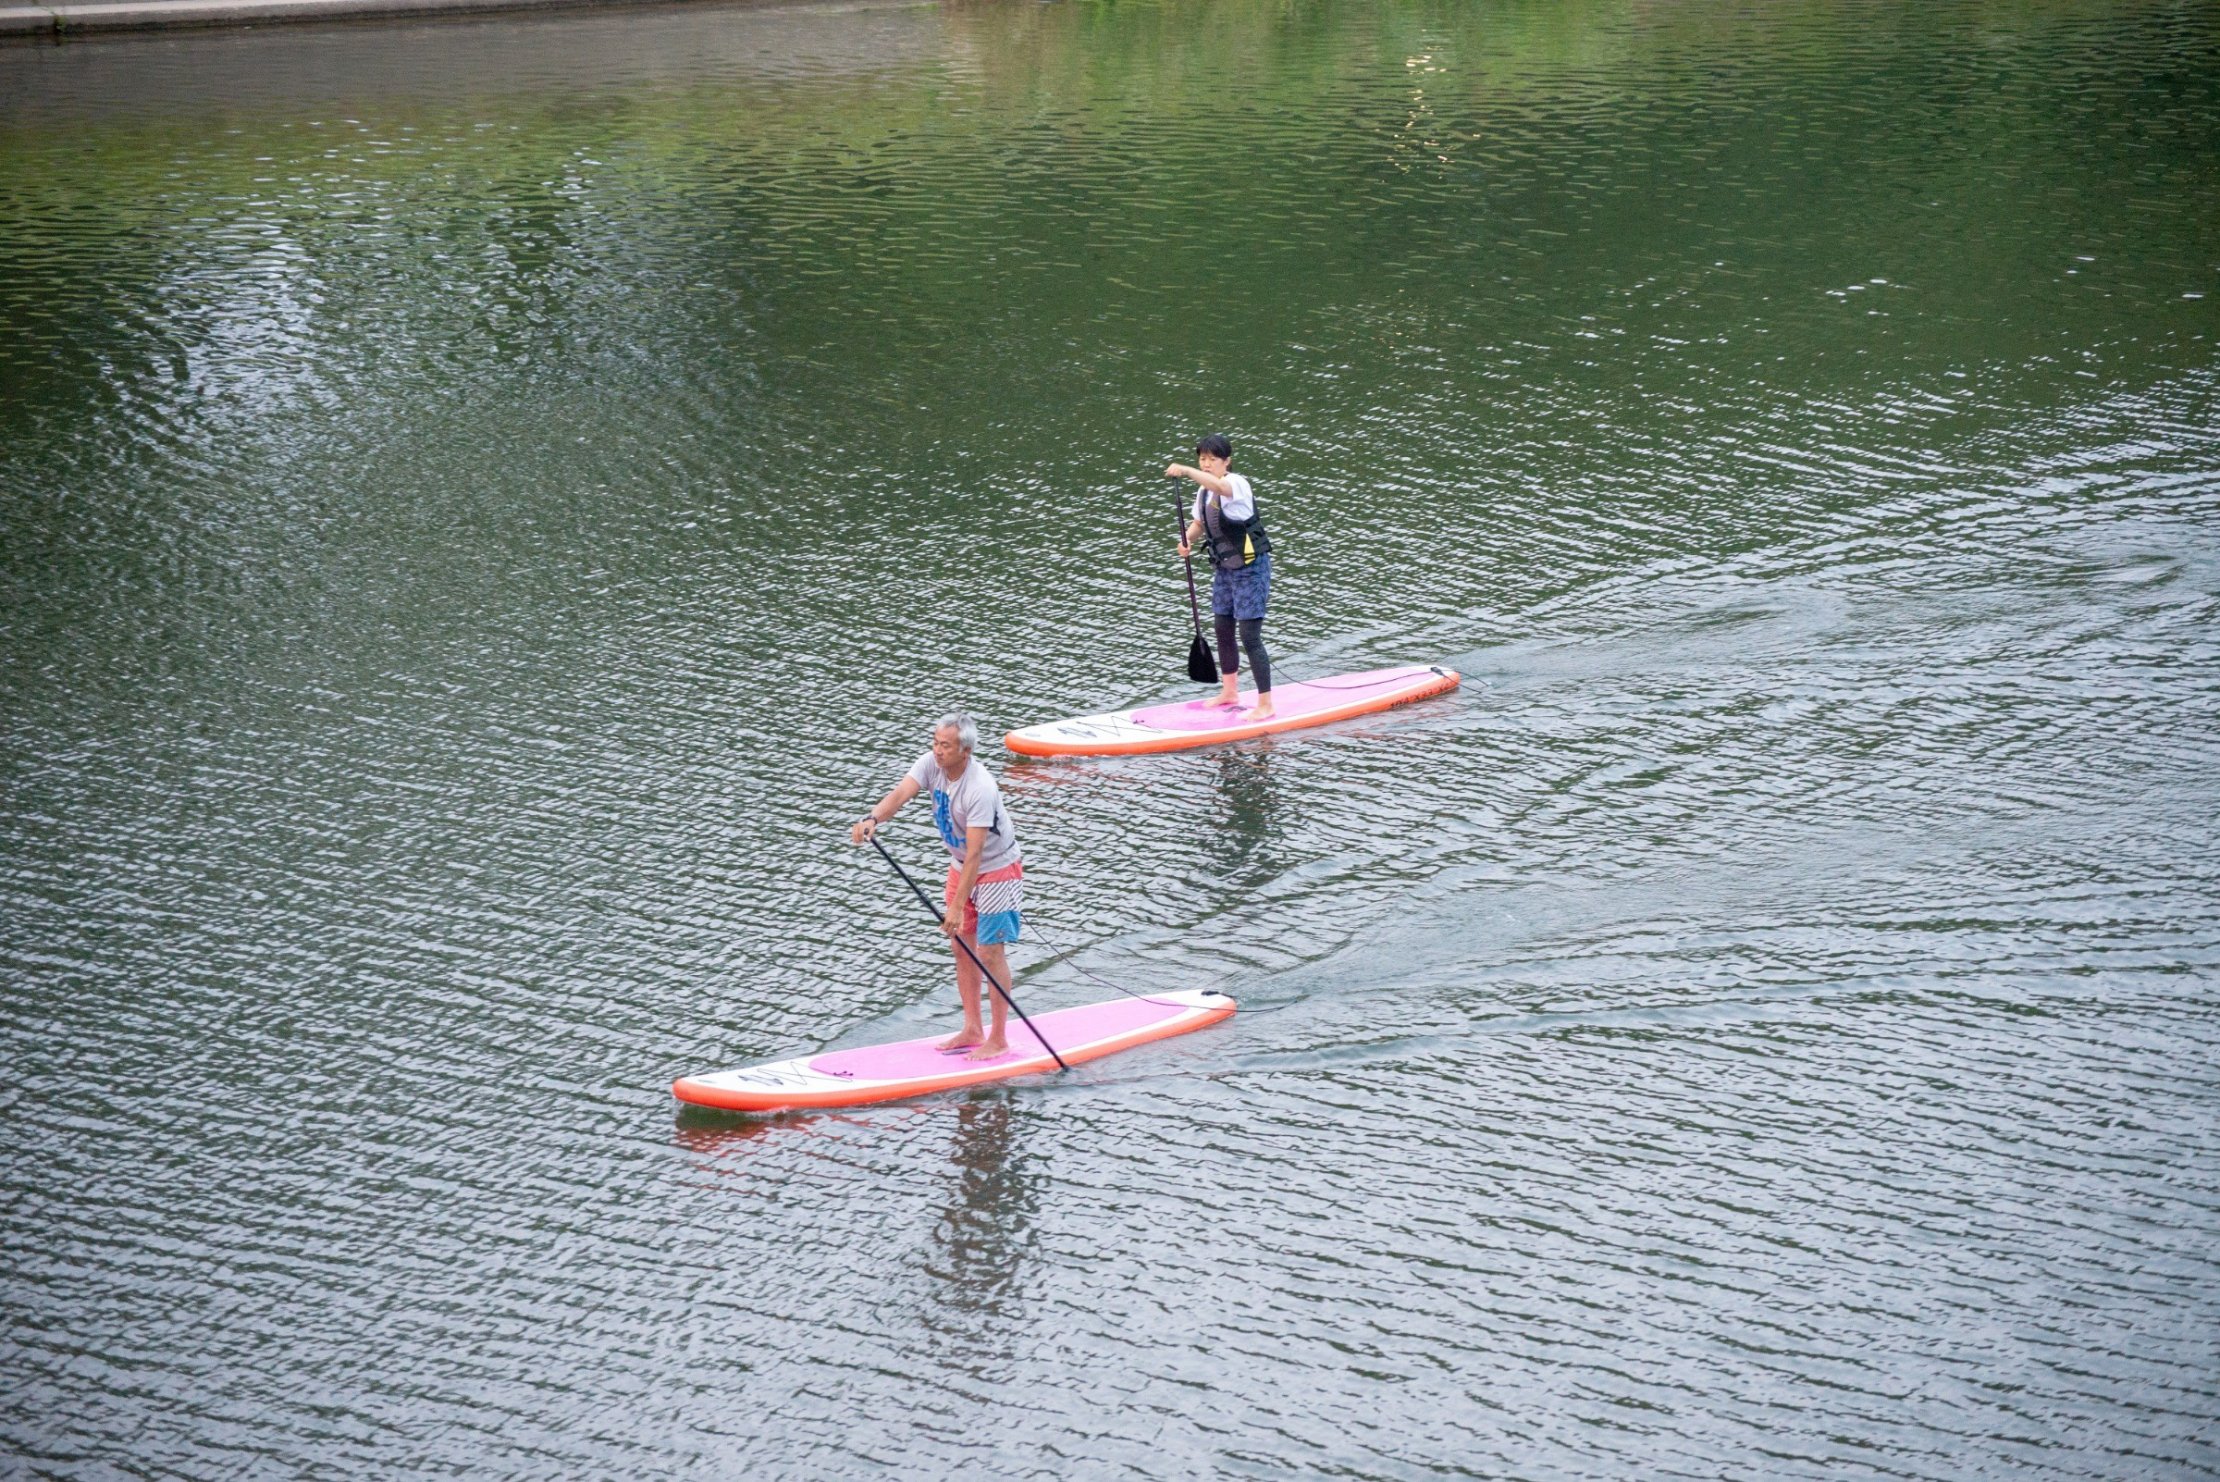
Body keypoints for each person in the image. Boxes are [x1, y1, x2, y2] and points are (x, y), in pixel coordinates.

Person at [849, 713, 1024, 1059]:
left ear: (966, 750)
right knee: (961, 946)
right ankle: (973, 1028)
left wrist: (956, 908)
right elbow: (901, 793)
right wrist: (873, 818)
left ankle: (999, 1038)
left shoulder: (980, 789)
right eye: (935, 742)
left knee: (990, 952)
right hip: (961, 866)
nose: (937, 750)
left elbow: (976, 854)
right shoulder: (931, 764)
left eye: (946, 745)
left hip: (997, 868)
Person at [1168, 433, 1275, 719]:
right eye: (1201, 459)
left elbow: (1220, 486)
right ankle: (1230, 692)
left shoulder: (1235, 483)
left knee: (1249, 636)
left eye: (1212, 460)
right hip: (1225, 569)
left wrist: (1188, 471)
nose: (1206, 464)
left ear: (1226, 462)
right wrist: (1187, 541)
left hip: (1251, 569)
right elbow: (1200, 522)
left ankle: (1265, 705)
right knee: (1222, 627)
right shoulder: (1203, 492)